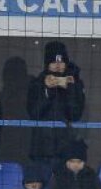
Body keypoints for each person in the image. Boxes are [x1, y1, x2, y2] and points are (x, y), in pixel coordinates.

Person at [27, 40, 85, 170]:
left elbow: (75, 114)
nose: (58, 65)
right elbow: (34, 113)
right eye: (54, 62)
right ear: (47, 64)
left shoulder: (75, 83)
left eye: (61, 61)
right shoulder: (37, 83)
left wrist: (70, 88)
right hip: (41, 149)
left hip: (68, 150)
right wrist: (48, 90)